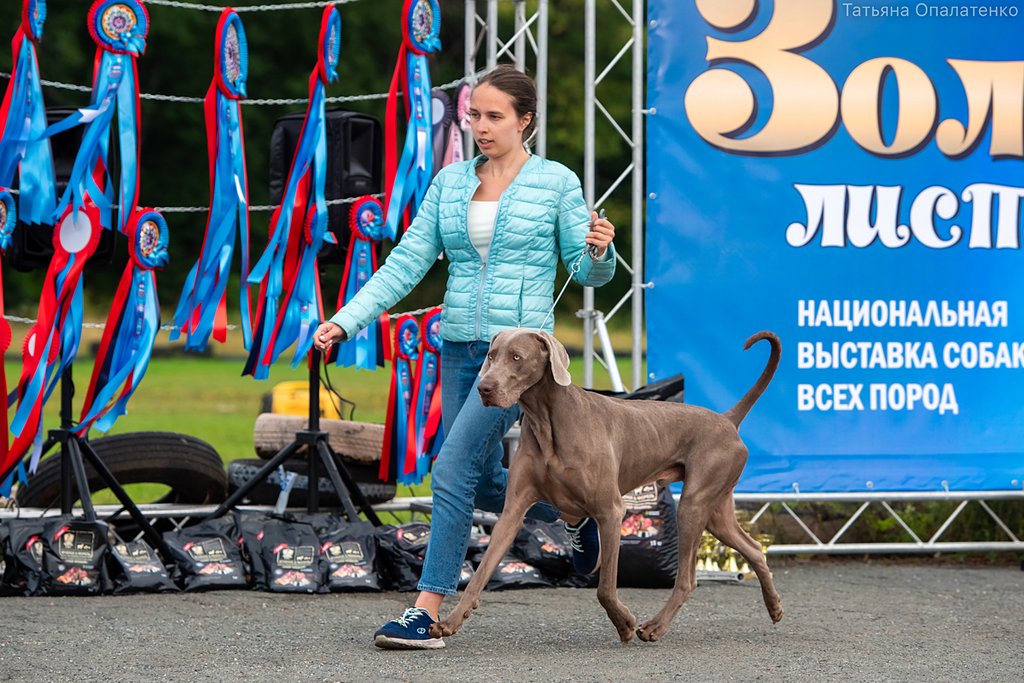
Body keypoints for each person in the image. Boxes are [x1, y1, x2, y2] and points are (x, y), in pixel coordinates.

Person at [312, 64, 617, 650]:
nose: (479, 125)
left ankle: (426, 610)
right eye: (472, 114)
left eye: (494, 116)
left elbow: (588, 271)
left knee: (450, 469)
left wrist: (601, 250)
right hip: (460, 349)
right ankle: (573, 516)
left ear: (525, 121)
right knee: (481, 479)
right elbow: (406, 262)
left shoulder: (556, 183)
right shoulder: (450, 183)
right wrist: (344, 320)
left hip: (522, 362)